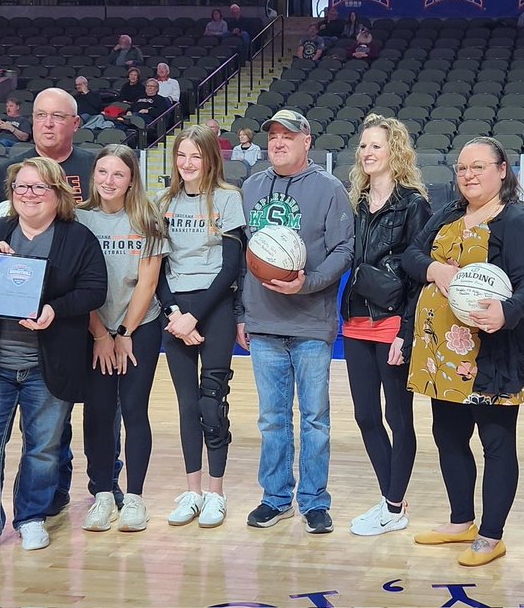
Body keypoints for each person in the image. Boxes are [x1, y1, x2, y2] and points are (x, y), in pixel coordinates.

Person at [0, 157, 106, 560]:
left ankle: (31, 517)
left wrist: (56, 310)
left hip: (47, 365)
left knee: (43, 448)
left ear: (57, 194)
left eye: (38, 188)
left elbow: (94, 290)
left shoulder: (77, 238)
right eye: (21, 188)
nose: (28, 195)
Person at [403, 136, 524, 567]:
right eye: (463, 168)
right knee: (448, 436)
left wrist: (507, 312)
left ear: (503, 170)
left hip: (491, 353)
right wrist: (434, 267)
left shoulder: (519, 220)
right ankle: (461, 520)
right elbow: (412, 254)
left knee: (496, 441)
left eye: (479, 167)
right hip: (439, 353)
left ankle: (491, 535)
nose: (468, 175)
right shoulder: (448, 213)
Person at [238, 109, 354, 535]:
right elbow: (243, 254)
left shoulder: (329, 189)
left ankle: (315, 501)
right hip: (264, 322)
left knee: (315, 418)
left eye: (288, 135)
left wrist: (310, 284)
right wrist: (240, 312)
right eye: (273, 135)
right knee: (271, 418)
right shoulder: (251, 186)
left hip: (310, 321)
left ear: (307, 141)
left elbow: (344, 250)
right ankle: (276, 498)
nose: (278, 142)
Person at [340, 115, 432, 537]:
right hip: (356, 318)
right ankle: (391, 498)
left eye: (375, 145)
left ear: (394, 151)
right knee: (364, 414)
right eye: (363, 146)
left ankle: (393, 506)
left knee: (399, 416)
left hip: (392, 321)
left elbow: (419, 275)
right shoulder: (356, 201)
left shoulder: (414, 204)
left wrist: (405, 333)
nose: (367, 153)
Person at [157, 125, 246, 528]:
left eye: (196, 156)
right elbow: (156, 268)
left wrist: (196, 316)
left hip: (215, 307)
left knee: (212, 403)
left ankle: (216, 493)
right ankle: (191, 491)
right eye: (181, 156)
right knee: (187, 404)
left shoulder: (227, 198)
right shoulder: (164, 202)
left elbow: (231, 265)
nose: (188, 163)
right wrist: (175, 314)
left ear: (211, 158)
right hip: (176, 312)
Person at [78, 144, 166, 533]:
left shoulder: (147, 218)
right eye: (102, 172)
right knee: (97, 410)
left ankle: (134, 498)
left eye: (118, 174)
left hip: (140, 327)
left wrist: (125, 333)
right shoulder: (79, 219)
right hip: (93, 328)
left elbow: (148, 283)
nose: (109, 181)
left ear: (131, 179)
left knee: (133, 408)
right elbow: (76, 281)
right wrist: (101, 334)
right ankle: (101, 493)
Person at [0, 88, 92, 218]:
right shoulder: (6, 171)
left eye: (57, 116)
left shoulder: (97, 169)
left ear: (75, 123)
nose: (48, 123)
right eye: (41, 115)